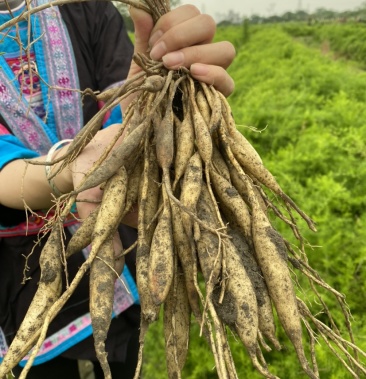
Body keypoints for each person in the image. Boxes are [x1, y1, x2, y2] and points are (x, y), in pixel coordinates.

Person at [0, 0, 235, 378]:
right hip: (20, 270)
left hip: (115, 238)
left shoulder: (88, 9)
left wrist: (161, 99)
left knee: (123, 354)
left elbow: (121, 112)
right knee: (38, 365)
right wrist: (67, 170)